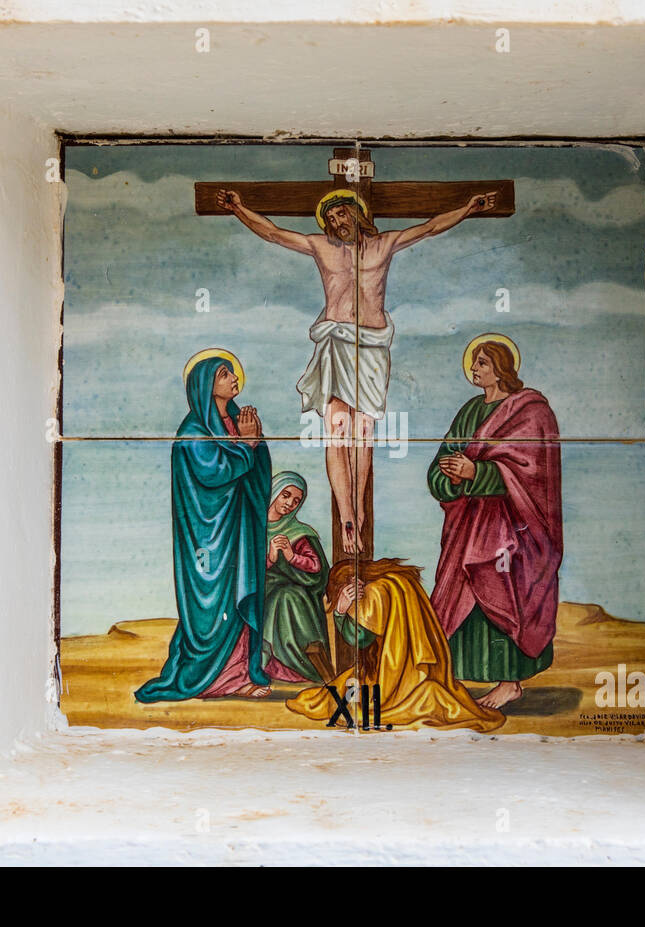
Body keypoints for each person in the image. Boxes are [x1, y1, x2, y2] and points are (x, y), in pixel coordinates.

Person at [215, 186, 498, 554]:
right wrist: (239, 208)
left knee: (362, 432)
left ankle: (359, 511)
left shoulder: (383, 246)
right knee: (336, 430)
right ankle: (346, 514)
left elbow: (429, 228)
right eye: (331, 219)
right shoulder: (322, 248)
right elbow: (272, 232)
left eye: (342, 214)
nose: (337, 222)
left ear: (356, 213)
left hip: (373, 346)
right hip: (334, 341)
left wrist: (468, 207)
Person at [428, 336, 563, 710]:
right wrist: (450, 476)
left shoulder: (531, 411)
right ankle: (458, 680)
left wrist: (479, 472)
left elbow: (534, 472)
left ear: (502, 367)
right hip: (469, 527)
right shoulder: (470, 410)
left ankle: (510, 683)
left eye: (483, 363)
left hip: (513, 530)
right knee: (461, 594)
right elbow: (443, 458)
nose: (475, 370)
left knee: (503, 593)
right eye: (473, 364)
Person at [134, 351, 272, 702]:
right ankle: (215, 680)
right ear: (206, 387)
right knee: (214, 605)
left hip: (239, 530)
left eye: (232, 373)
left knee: (241, 593)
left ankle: (241, 673)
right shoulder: (193, 431)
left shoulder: (237, 421)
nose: (233, 379)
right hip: (209, 538)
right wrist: (247, 446)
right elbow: (213, 475)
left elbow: (253, 468)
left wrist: (253, 446)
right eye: (224, 374)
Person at [286, 558, 505, 732]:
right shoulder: (396, 581)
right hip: (420, 668)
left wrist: (341, 611)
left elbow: (359, 638)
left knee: (346, 702)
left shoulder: (374, 592)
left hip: (396, 673)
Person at [261, 471, 334, 684]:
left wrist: (291, 557)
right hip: (261, 591)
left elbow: (317, 569)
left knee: (285, 597)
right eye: (286, 495)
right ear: (274, 492)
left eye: (296, 501)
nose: (289, 504)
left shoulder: (298, 532)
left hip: (298, 595)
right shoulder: (253, 527)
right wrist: (271, 558)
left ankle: (295, 667)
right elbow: (244, 567)